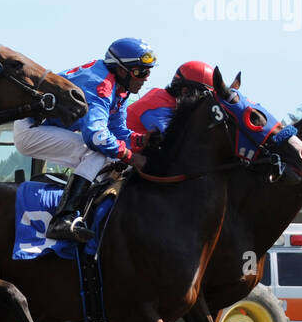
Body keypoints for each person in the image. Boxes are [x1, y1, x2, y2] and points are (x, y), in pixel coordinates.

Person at [12, 37, 155, 242]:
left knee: (110, 158)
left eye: (148, 71)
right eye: (141, 72)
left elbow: (116, 130)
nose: (146, 78)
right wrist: (132, 157)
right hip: (31, 130)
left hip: (43, 127)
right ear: (121, 70)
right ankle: (63, 219)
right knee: (97, 153)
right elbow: (97, 137)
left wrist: (140, 140)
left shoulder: (118, 86)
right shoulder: (102, 85)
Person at [126, 61, 215, 137]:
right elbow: (175, 140)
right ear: (185, 91)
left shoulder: (165, 99)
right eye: (201, 97)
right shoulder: (159, 106)